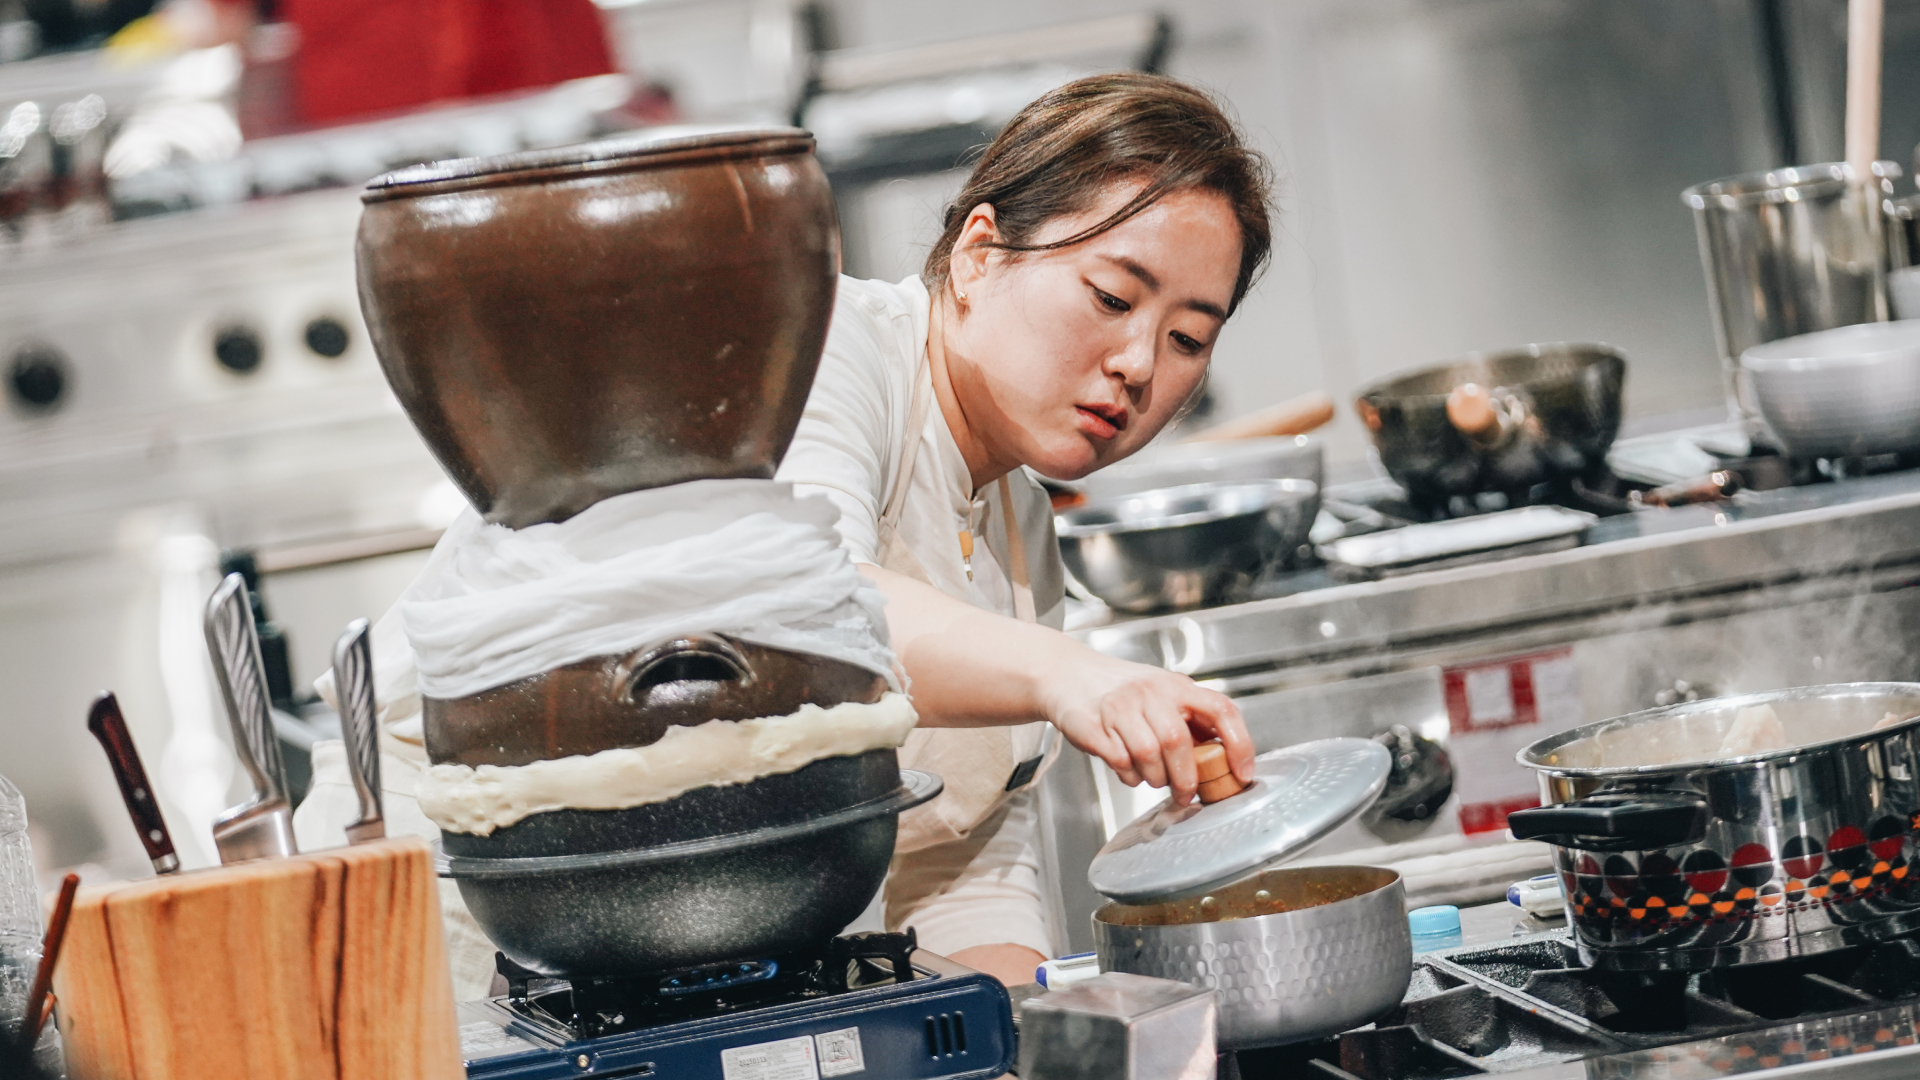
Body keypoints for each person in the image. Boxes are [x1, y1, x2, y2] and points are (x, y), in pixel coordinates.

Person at [774, 71, 1273, 985]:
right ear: (978, 254)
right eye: (1115, 298)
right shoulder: (826, 347)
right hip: (490, 951)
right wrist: (1070, 675)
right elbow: (804, 612)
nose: (1137, 366)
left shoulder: (1021, 532)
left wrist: (1027, 1036)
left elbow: (960, 854)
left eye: (1187, 339)